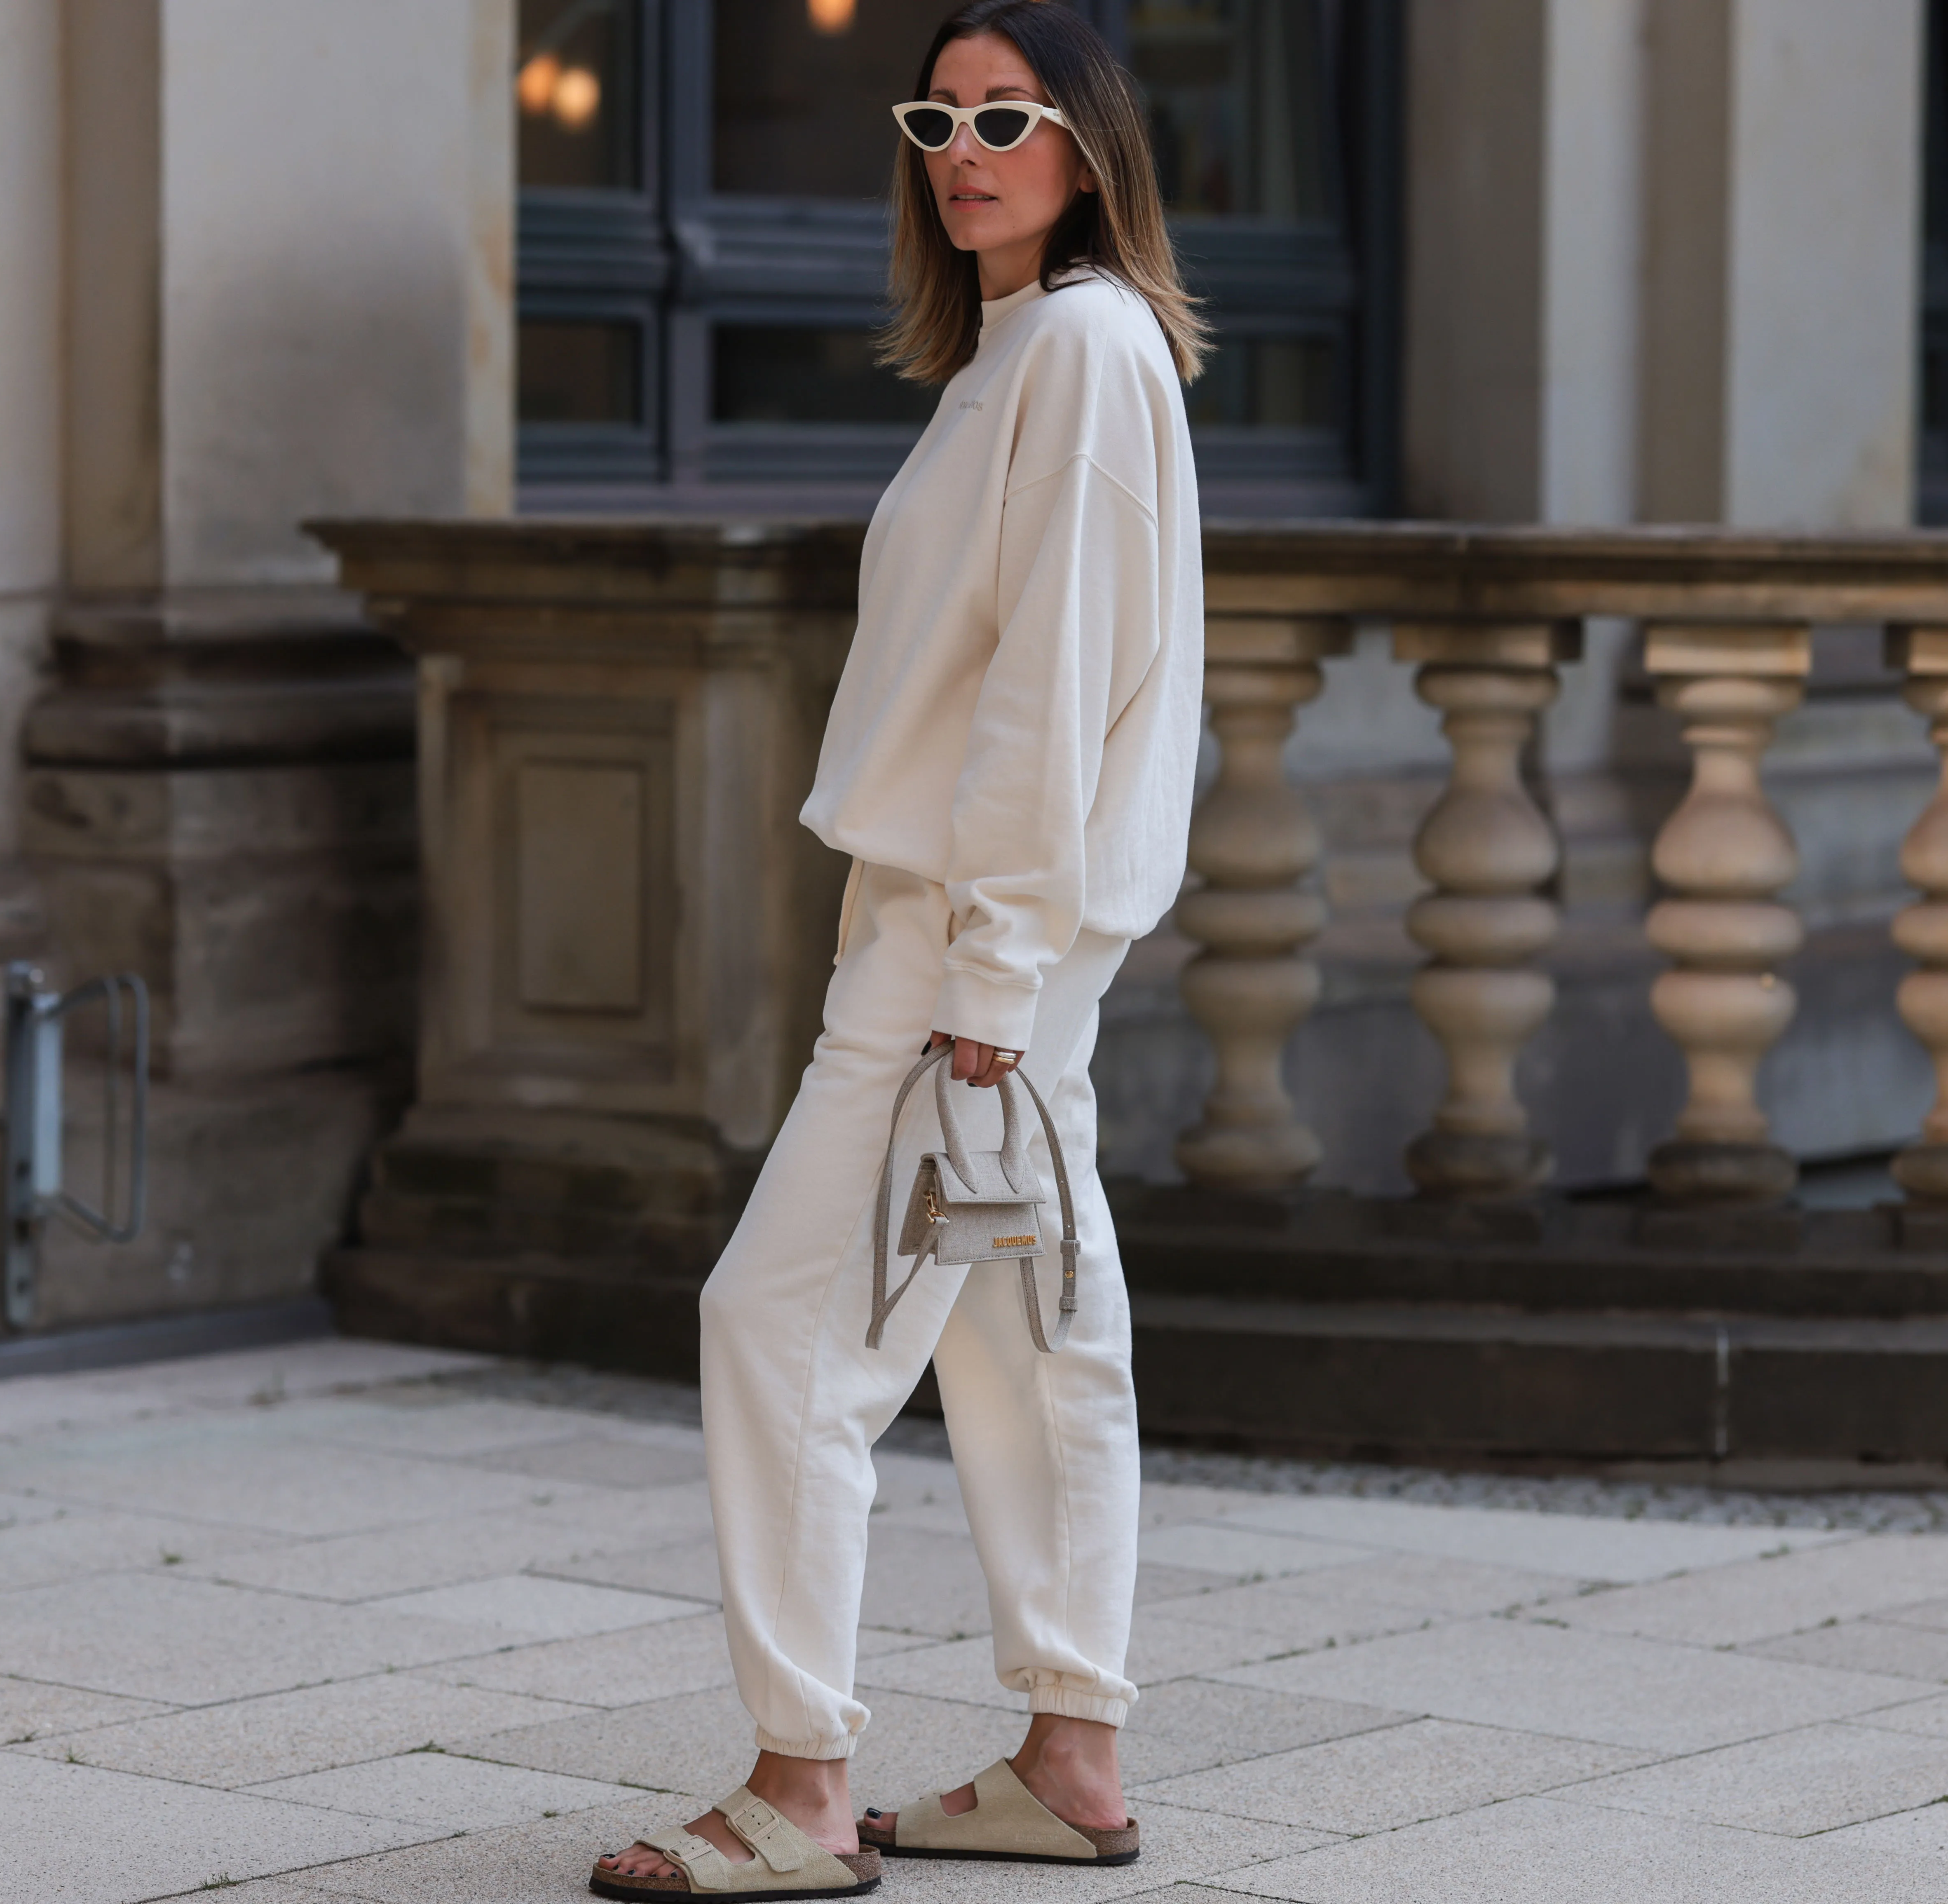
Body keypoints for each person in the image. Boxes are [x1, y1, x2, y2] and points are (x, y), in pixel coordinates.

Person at [591, 2, 1208, 1897]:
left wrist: (993, 986)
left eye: (1005, 114)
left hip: (969, 942)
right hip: (984, 935)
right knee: (1030, 1342)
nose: (962, 145)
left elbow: (1053, 687)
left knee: (777, 1331)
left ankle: (793, 1791)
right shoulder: (1026, 349)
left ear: (1088, 143)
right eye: (935, 112)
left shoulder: (1086, 349)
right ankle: (1069, 1760)